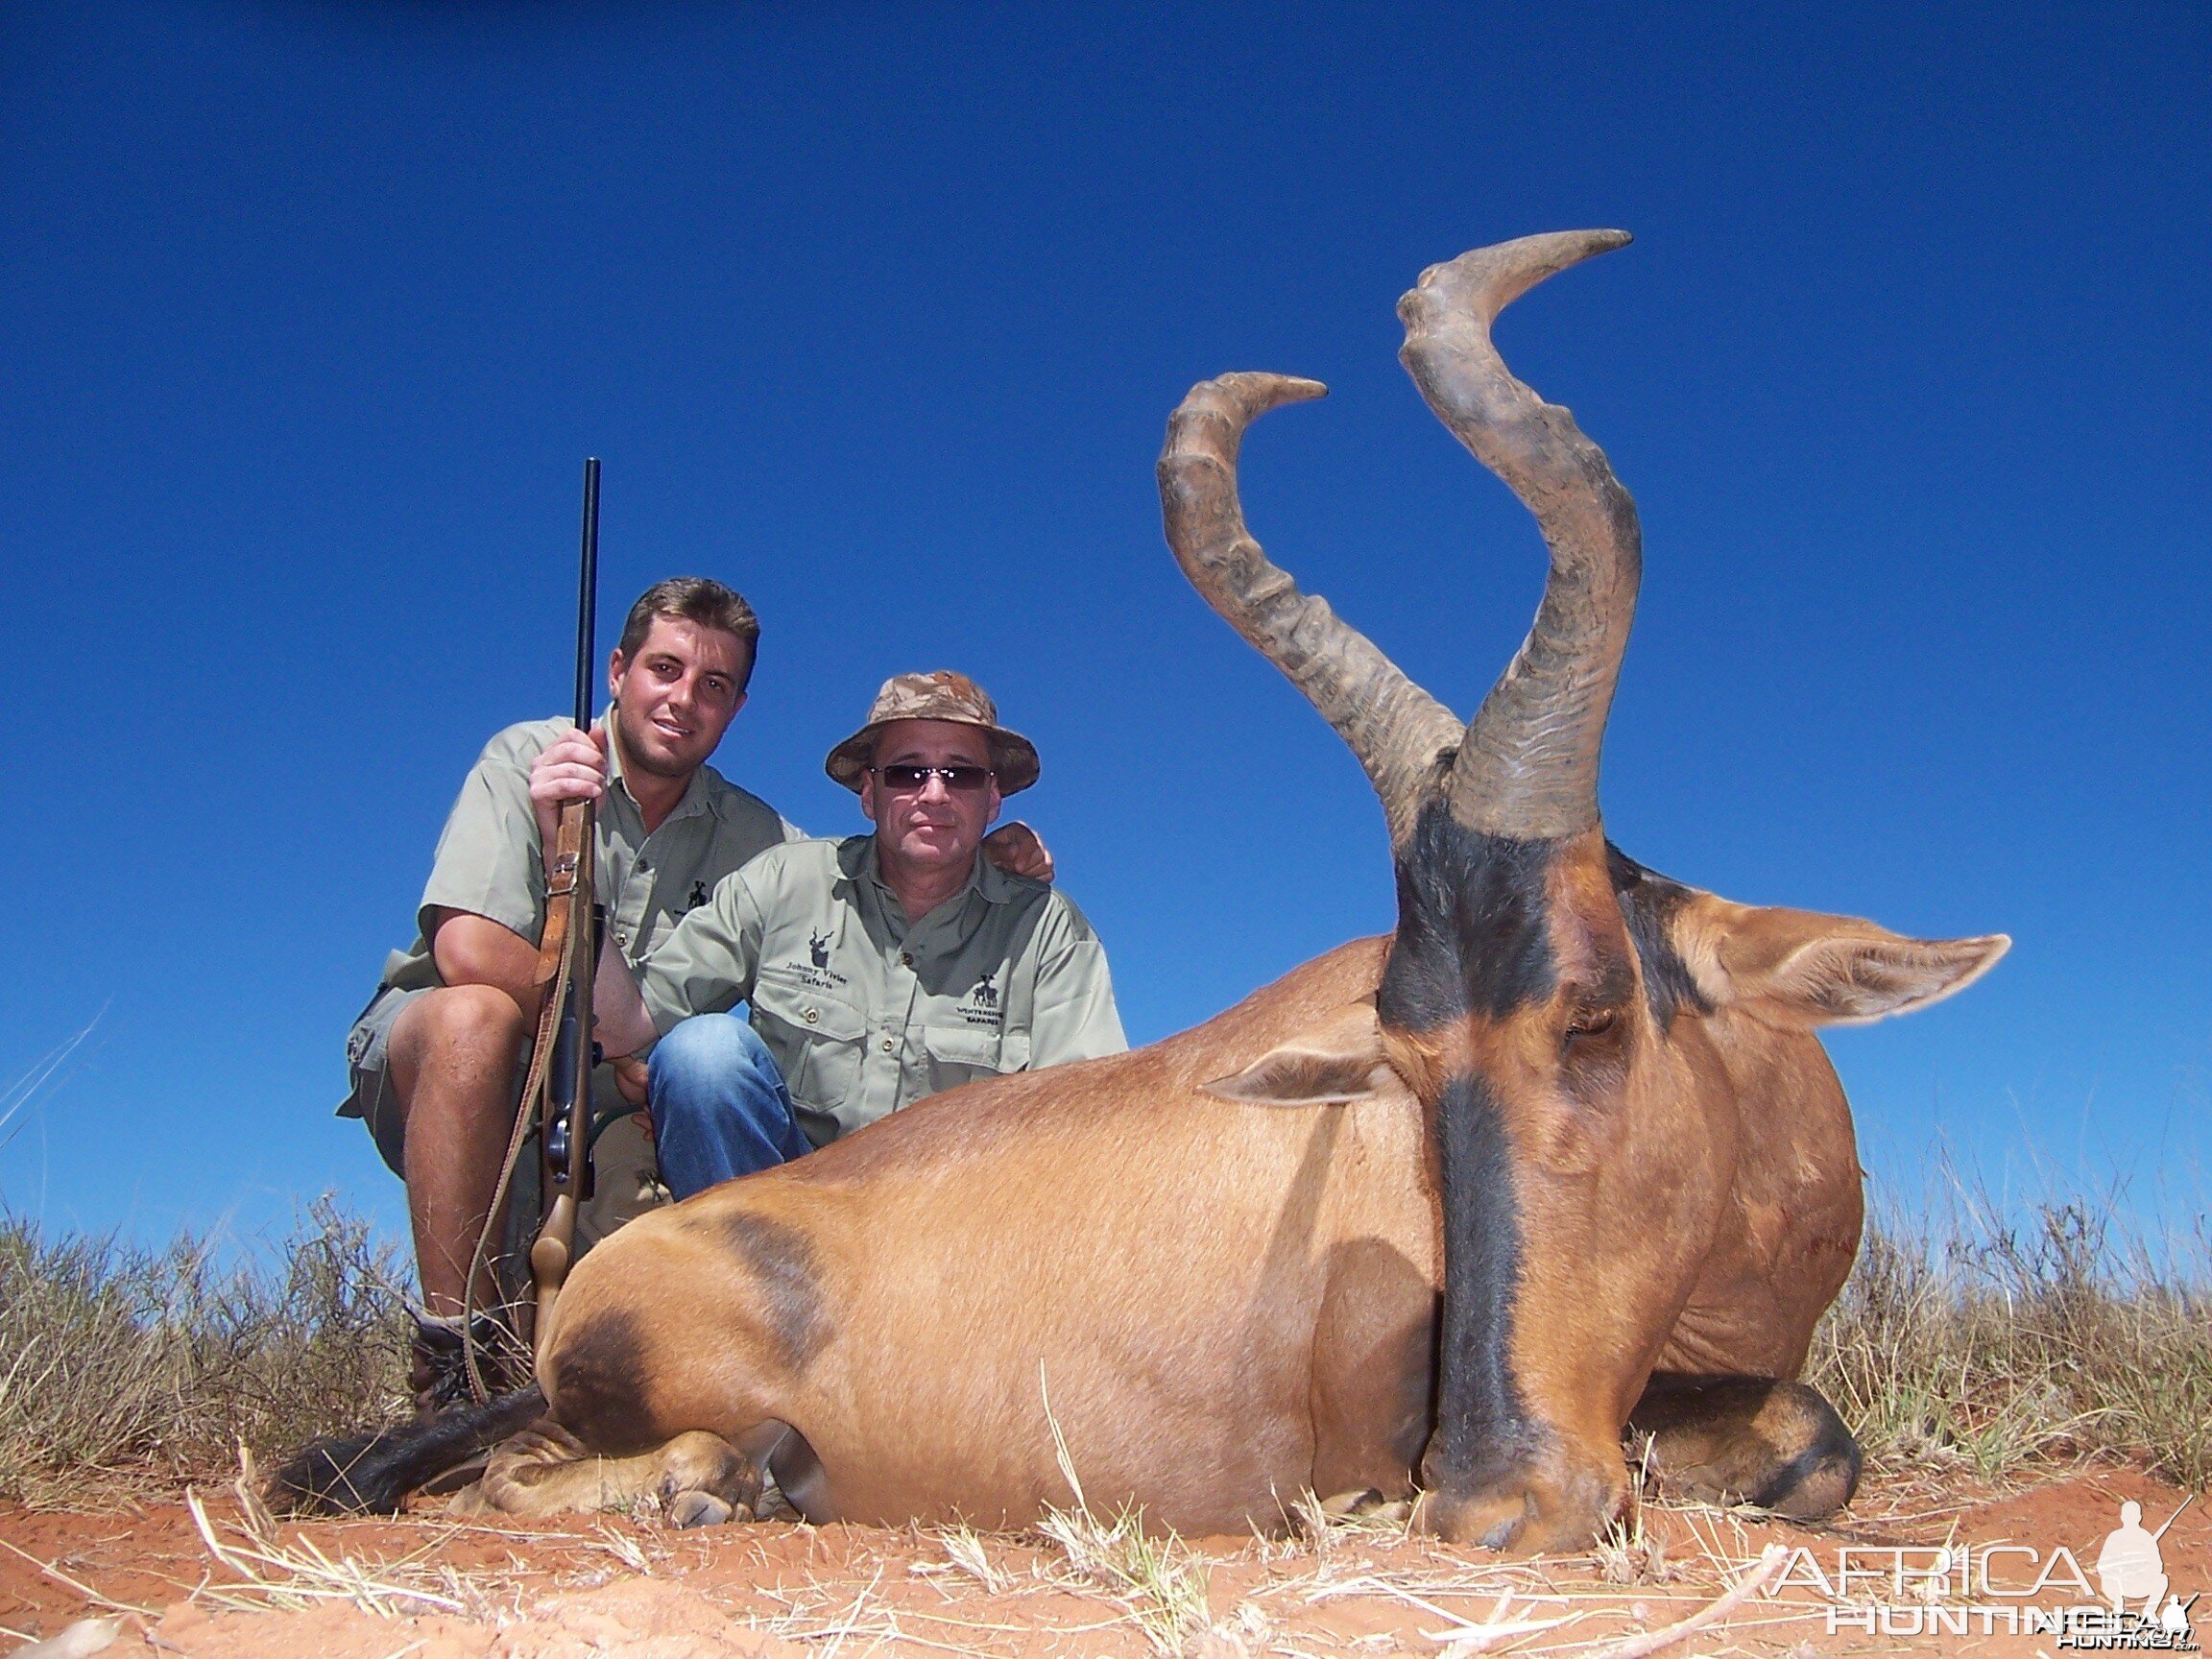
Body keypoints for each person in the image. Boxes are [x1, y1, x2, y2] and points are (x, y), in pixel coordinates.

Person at [341, 582, 1049, 1406]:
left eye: (714, 685)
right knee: (475, 1020)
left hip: (616, 1099)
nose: (684, 699)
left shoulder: (760, 840)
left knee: (632, 1328)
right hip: (462, 1069)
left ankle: (766, 1386)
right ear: (618, 670)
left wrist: (971, 857)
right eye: (664, 669)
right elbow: (471, 951)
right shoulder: (537, 759)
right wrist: (559, 847)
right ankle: (452, 1369)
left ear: (737, 706)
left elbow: (865, 884)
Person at [591, 670, 1126, 1194]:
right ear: (869, 793)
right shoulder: (785, 882)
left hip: (952, 1230)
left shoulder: (1049, 931)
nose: (934, 795)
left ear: (992, 799)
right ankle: (727, 1279)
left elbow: (1086, 1121)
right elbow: (622, 1026)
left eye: (960, 775)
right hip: (782, 1216)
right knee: (700, 1055)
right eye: (907, 773)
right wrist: (568, 855)